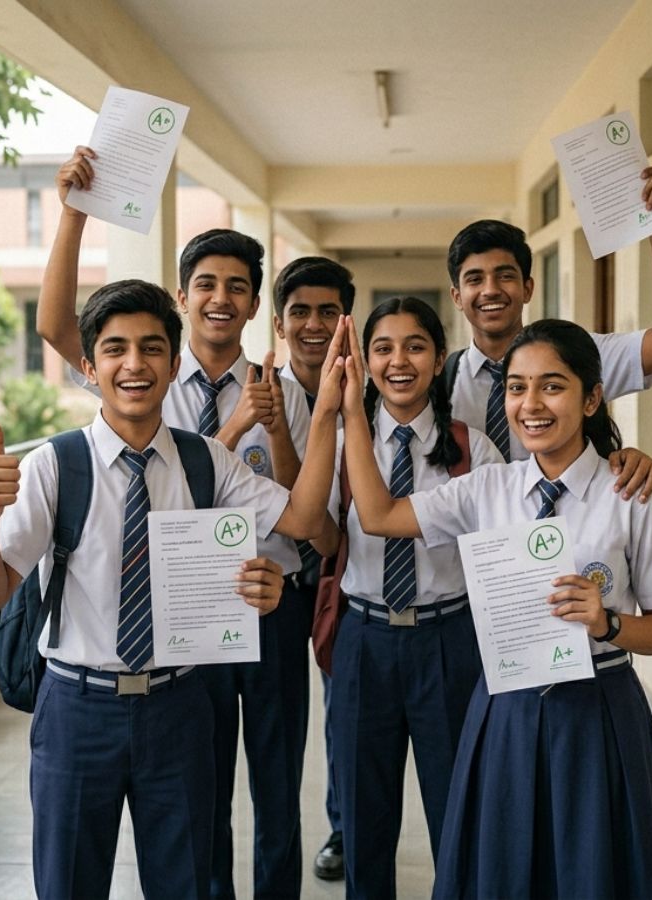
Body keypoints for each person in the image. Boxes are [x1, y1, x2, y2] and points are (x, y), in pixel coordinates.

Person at [0, 279, 335, 900]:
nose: (134, 364)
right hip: (77, 708)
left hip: (179, 706)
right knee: (68, 882)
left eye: (151, 348)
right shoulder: (55, 465)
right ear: (90, 366)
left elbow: (301, 519)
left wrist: (325, 414)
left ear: (172, 360)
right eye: (115, 349)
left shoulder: (203, 462)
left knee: (183, 879)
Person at [319, 316, 652, 898]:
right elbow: (379, 516)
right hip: (506, 708)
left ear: (592, 397)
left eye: (553, 385)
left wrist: (608, 621)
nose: (531, 404)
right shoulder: (487, 488)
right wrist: (349, 412)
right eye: (517, 387)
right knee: (506, 866)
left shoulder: (630, 494)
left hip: (597, 708)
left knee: (592, 867)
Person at [39, 146, 322, 900]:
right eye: (206, 285)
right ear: (182, 295)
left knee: (273, 777)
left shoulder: (281, 389)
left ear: (255, 305)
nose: (220, 299)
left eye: (237, 288)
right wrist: (72, 210)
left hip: (266, 605)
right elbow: (54, 324)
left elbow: (304, 515)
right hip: (172, 623)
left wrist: (297, 420)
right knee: (197, 790)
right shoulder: (146, 371)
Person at [309, 297, 503, 898]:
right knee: (364, 820)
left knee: (457, 810)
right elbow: (327, 536)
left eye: (415, 346)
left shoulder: (474, 450)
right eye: (383, 348)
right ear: (364, 362)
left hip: (449, 640)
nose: (399, 361)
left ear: (440, 359)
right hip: (364, 639)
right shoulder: (344, 443)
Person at [444, 166, 652, 462]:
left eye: (505, 276)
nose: (490, 290)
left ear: (528, 288)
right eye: (475, 279)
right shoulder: (441, 382)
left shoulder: (576, 355)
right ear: (457, 297)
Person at [269, 255, 356, 882]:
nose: (314, 324)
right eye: (301, 311)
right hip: (271, 588)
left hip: (339, 578)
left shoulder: (369, 391)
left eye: (328, 311)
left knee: (344, 711)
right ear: (279, 323)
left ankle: (344, 828)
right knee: (276, 736)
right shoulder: (258, 390)